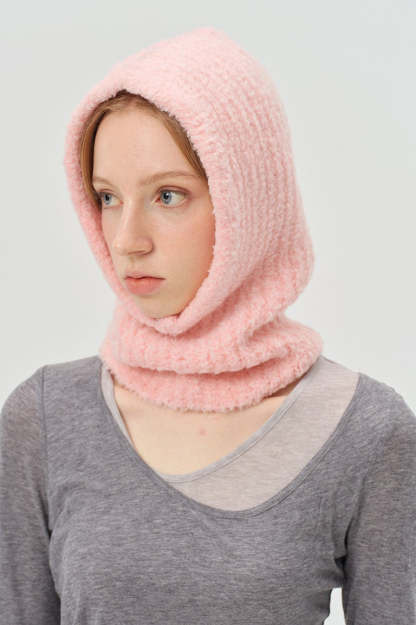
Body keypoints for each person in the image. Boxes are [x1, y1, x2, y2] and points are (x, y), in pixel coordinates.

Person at [0, 26, 415, 625]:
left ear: (249, 205)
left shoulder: (366, 430)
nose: (127, 240)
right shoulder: (45, 418)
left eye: (168, 196)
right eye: (107, 197)